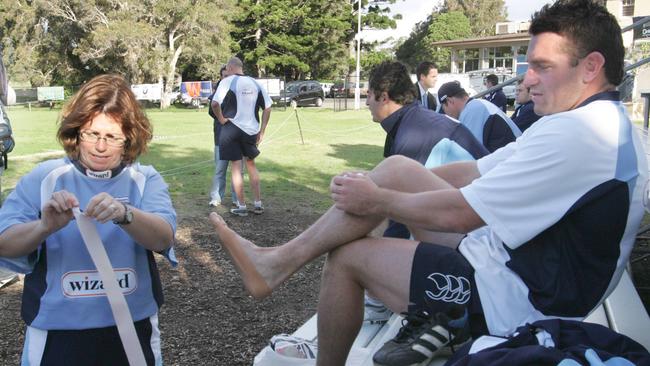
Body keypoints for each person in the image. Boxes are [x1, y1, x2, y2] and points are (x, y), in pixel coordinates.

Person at [209, 0, 647, 365]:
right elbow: (472, 173)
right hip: (512, 268)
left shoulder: (578, 133)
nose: (526, 78)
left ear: (591, 67)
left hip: (514, 300)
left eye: (541, 66)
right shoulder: (597, 123)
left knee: (348, 258)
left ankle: (282, 273)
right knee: (397, 170)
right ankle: (278, 262)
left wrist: (378, 199)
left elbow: (460, 214)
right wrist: (382, 190)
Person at [0, 74, 177, 365]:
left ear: (129, 137)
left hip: (131, 327)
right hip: (58, 330)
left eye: (112, 137)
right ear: (76, 130)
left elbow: (163, 237)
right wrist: (44, 227)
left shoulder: (144, 180)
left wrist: (125, 214)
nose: (100, 146)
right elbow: (5, 244)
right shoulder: (45, 178)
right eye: (92, 134)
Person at [363, 61, 488, 324]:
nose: (365, 103)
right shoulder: (415, 122)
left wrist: (377, 285)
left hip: (484, 244)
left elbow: (403, 214)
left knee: (373, 213)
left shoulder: (414, 134)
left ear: (383, 96)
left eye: (367, 95)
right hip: (479, 226)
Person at [211, 56, 272, 217]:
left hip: (231, 129)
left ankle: (242, 206)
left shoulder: (227, 81)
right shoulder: (255, 83)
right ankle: (258, 203)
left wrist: (221, 119)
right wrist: (263, 130)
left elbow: (215, 104)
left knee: (236, 168)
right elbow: (268, 107)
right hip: (251, 130)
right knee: (251, 165)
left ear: (230, 68)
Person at [438, 80, 521, 152]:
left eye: (443, 108)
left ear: (449, 101)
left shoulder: (472, 110)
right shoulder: (476, 105)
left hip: (514, 162)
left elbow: (468, 153)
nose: (446, 114)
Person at [208, 65, 239, 207]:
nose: (227, 78)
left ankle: (237, 198)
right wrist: (223, 118)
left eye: (229, 76)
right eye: (224, 76)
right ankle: (216, 197)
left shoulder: (237, 89)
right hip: (220, 136)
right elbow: (211, 110)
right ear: (221, 77)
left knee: (237, 170)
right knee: (220, 169)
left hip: (236, 137)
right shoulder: (218, 91)